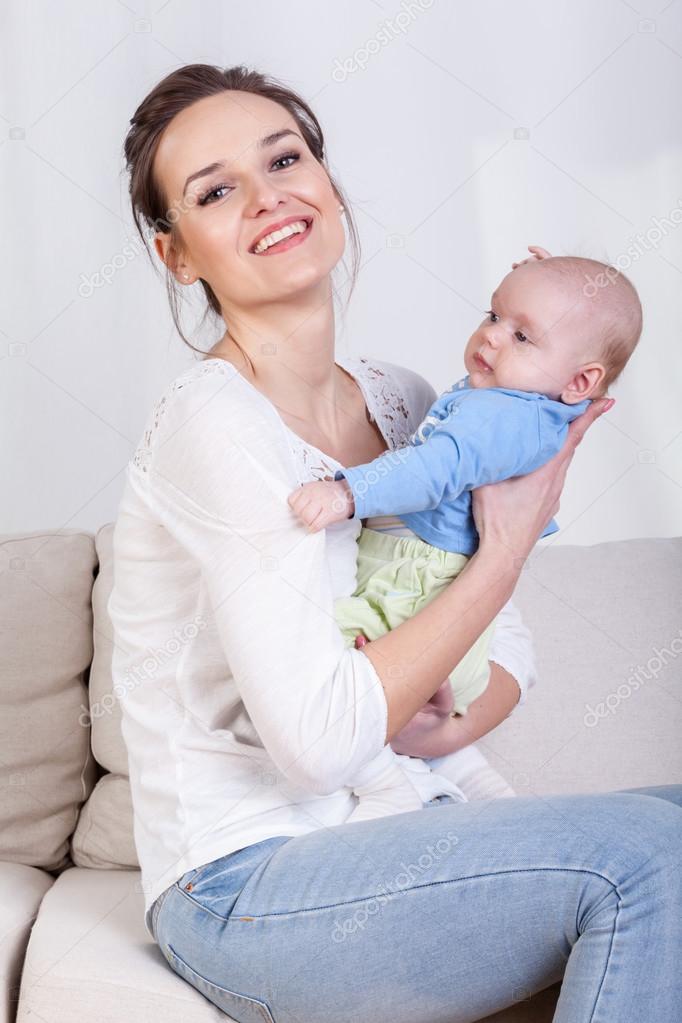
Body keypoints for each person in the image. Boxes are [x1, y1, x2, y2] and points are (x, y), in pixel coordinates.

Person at [108, 63, 682, 1022]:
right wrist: (503, 552)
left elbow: (507, 650)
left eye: (284, 158)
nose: (269, 196)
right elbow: (320, 745)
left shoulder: (407, 400)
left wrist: (441, 722)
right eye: (216, 191)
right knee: (644, 859)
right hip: (245, 885)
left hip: (405, 825)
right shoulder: (216, 427)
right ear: (180, 258)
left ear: (327, 184)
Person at [287, 255, 643, 823]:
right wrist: (547, 302)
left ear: (580, 383)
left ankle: (387, 786)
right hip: (438, 587)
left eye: (522, 335)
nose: (493, 337)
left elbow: (436, 468)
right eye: (495, 314)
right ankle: (474, 784)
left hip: (418, 579)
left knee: (323, 676)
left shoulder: (508, 417)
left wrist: (347, 493)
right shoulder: (518, 403)